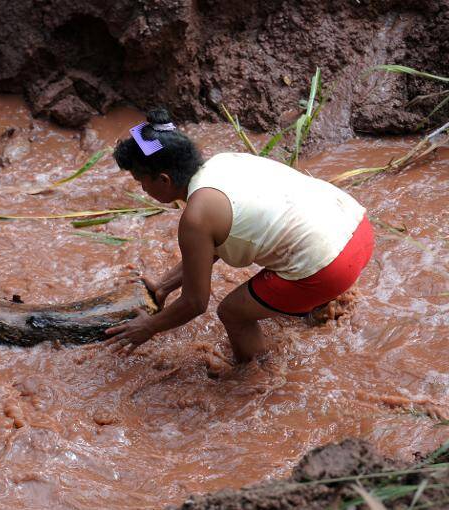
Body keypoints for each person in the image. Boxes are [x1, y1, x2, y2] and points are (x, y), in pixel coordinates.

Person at [105, 108, 374, 362]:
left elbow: (195, 303)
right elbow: (211, 248)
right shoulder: (223, 162)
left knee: (232, 313)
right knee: (288, 251)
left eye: (141, 182)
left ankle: (258, 380)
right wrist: (163, 288)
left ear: (164, 180)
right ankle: (316, 308)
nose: (142, 190)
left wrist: (149, 327)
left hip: (330, 265)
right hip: (357, 228)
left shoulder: (196, 217)